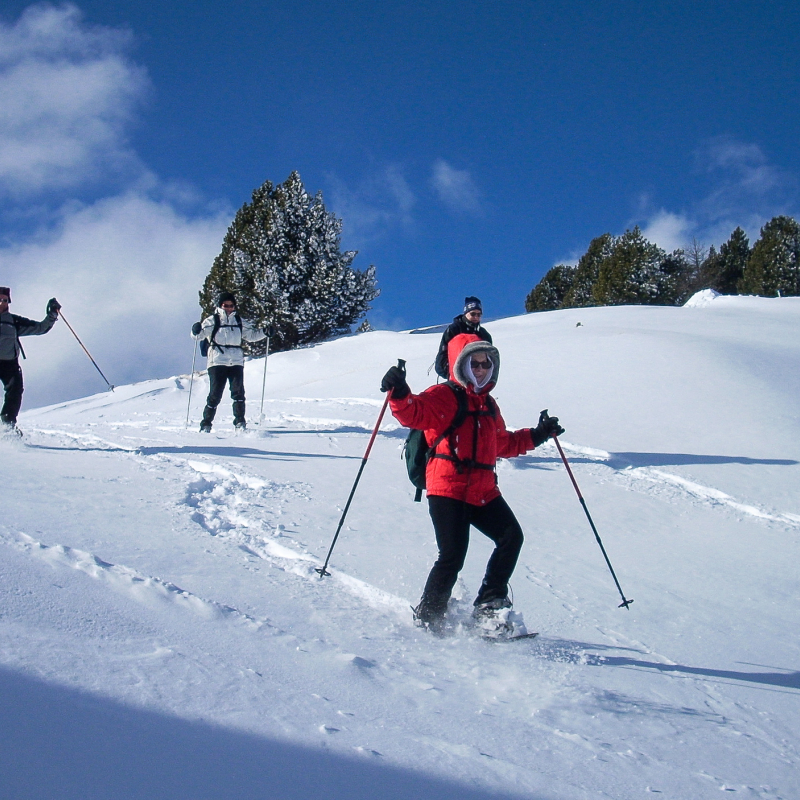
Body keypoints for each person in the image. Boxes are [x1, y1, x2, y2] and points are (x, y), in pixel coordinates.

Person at [381, 332, 564, 634]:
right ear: (461, 365)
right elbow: (414, 412)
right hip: (447, 487)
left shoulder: (490, 406)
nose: (480, 369)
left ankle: (489, 606)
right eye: (474, 363)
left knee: (511, 537)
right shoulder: (444, 396)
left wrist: (539, 434)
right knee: (453, 555)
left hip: (482, 490)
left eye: (486, 364)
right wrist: (399, 393)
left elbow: (502, 444)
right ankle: (429, 616)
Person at [191, 291, 266, 432]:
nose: (229, 308)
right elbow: (199, 336)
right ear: (221, 305)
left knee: (238, 392)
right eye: (226, 305)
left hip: (236, 361)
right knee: (215, 394)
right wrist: (194, 330)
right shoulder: (212, 320)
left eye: (231, 305)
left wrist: (265, 332)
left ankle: (240, 422)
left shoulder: (239, 320)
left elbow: (251, 336)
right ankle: (206, 423)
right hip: (217, 361)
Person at [0, 287, 61, 434]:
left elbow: (40, 328)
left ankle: (7, 425)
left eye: (4, 300)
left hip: (9, 364)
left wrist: (52, 314)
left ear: (9, 302)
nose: (1, 302)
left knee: (15, 391)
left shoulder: (14, 321)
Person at [434, 296, 492, 380]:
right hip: (456, 379)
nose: (476, 317)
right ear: (466, 313)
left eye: (479, 314)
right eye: (473, 314)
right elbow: (442, 356)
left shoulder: (484, 335)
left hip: (478, 380)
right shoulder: (454, 330)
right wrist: (450, 373)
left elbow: (489, 358)